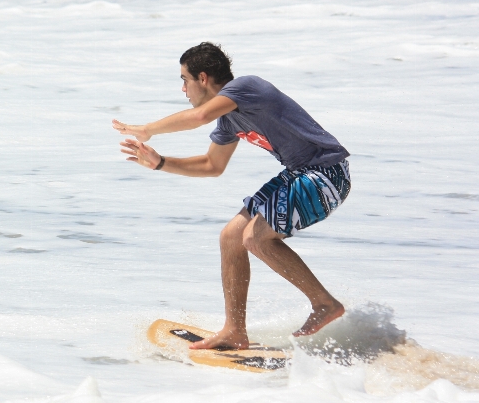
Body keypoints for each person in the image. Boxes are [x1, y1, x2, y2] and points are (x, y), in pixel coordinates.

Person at [112, 42, 350, 350]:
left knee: (256, 237)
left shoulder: (247, 87)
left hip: (326, 173)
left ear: (203, 78)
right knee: (231, 236)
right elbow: (213, 165)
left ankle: (324, 303)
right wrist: (160, 163)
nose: (183, 89)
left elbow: (199, 117)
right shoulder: (229, 120)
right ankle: (234, 331)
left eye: (184, 80)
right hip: (299, 173)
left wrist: (148, 129)